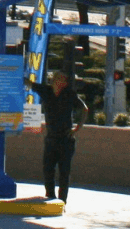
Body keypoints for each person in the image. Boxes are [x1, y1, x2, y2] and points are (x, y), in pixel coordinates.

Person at [24, 70, 87, 203]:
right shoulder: (46, 91)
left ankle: (62, 201)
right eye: (60, 79)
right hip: (51, 138)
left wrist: (77, 128)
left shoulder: (69, 94)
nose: (63, 82)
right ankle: (50, 197)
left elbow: (84, 109)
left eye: (64, 80)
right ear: (54, 80)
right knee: (48, 169)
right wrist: (15, 70)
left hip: (66, 139)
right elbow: (29, 84)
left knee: (64, 172)